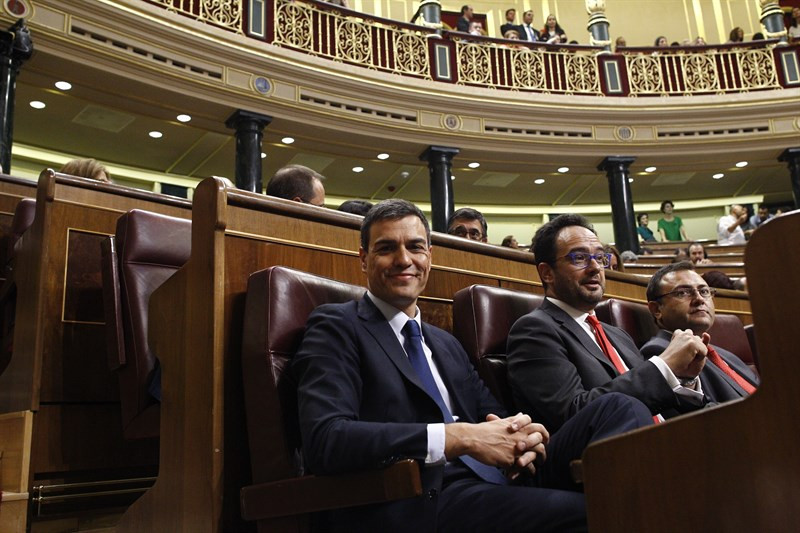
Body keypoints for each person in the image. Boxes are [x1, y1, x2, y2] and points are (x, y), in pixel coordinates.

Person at [293, 200, 653, 532]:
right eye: (387, 248)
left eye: (415, 247)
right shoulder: (337, 326)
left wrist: (524, 436)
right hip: (423, 494)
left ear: (429, 257)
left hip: (500, 479)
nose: (404, 259)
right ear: (363, 259)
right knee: (597, 512)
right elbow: (327, 440)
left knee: (621, 406)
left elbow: (491, 416)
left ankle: (633, 504)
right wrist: (456, 437)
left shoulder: (444, 342)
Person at [507, 214, 709, 432]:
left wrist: (685, 378)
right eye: (580, 258)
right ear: (547, 273)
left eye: (600, 257)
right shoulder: (534, 330)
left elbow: (654, 400)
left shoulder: (618, 335)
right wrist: (663, 366)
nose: (596, 268)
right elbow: (572, 414)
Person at [642, 262, 758, 404]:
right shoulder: (661, 353)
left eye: (704, 291)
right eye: (683, 292)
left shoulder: (727, 355)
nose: (699, 299)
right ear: (656, 309)